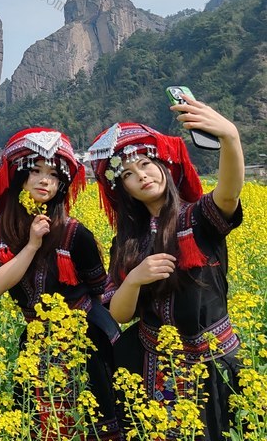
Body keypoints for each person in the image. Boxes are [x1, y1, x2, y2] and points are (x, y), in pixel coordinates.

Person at [88, 95, 244, 440]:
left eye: (145, 164)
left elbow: (229, 194)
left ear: (164, 165)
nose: (141, 176)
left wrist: (230, 138)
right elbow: (120, 313)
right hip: (150, 363)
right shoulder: (126, 244)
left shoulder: (199, 217)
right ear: (123, 190)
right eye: (128, 174)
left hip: (213, 364)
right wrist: (135, 280)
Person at [0, 128, 122, 440]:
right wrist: (31, 245)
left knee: (90, 424)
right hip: (34, 341)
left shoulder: (75, 233)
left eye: (53, 175)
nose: (44, 180)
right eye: (35, 171)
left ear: (61, 186)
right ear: (20, 175)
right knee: (37, 424)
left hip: (83, 342)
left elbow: (103, 292)